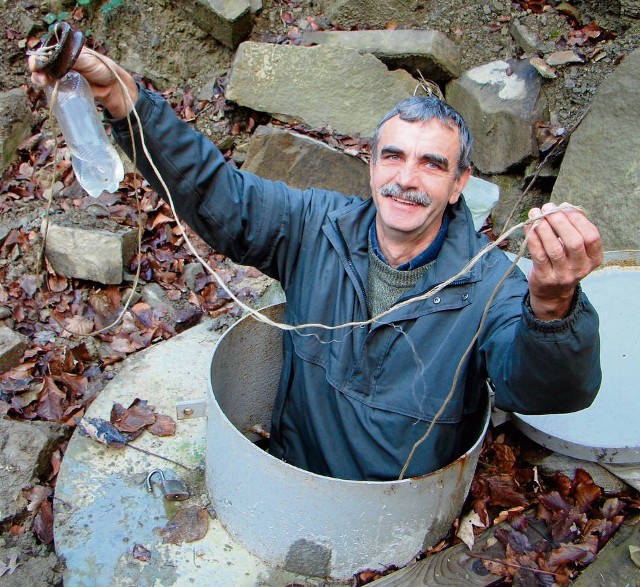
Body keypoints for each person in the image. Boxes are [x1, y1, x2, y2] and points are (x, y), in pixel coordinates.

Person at [30, 50, 603, 482]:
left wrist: (553, 306)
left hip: (403, 518)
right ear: (371, 165)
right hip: (292, 484)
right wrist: (124, 100)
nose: (406, 179)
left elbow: (543, 392)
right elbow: (217, 193)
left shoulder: (493, 284)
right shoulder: (313, 226)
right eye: (393, 156)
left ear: (459, 185)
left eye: (432, 164)